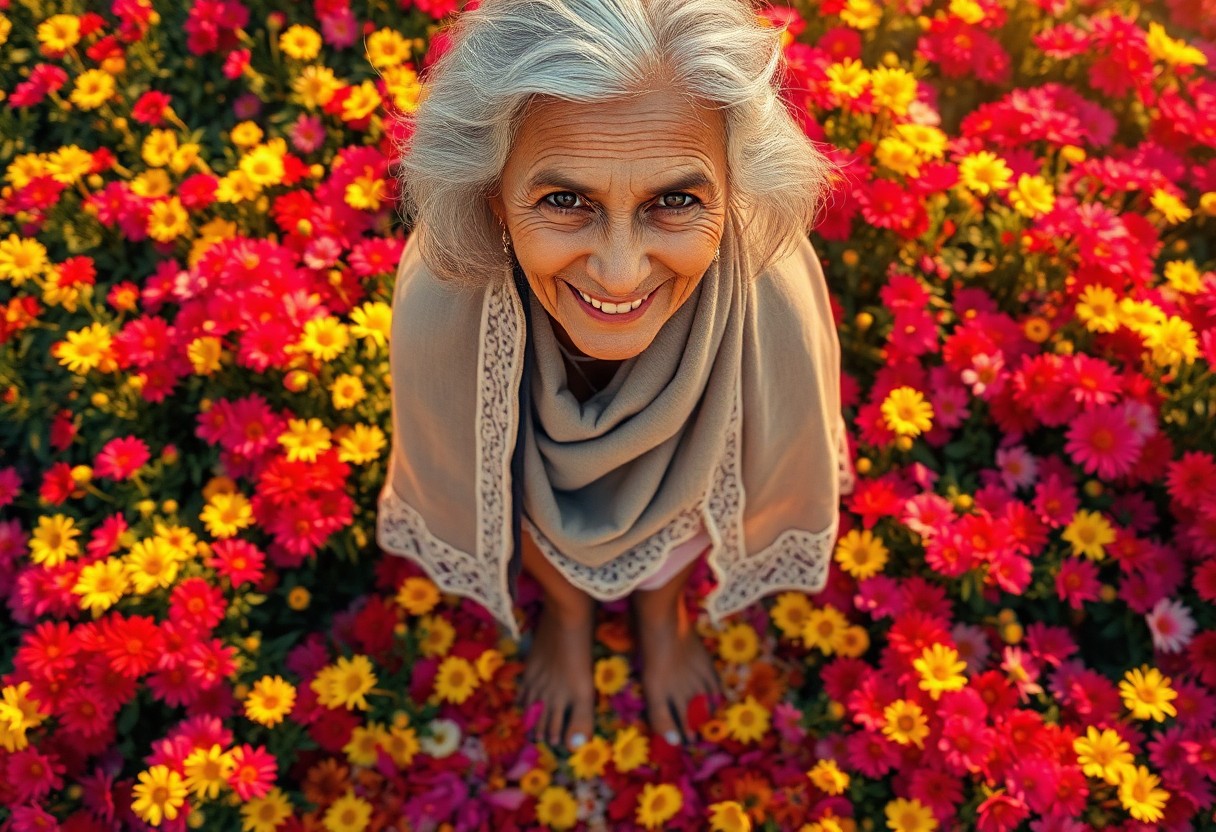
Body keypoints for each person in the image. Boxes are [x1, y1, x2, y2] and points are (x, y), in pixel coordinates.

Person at [377, 0, 855, 753]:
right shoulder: (445, 301)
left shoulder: (774, 302)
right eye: (566, 201)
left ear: (736, 192)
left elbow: (745, 470)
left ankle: (659, 617)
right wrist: (568, 612)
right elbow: (487, 479)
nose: (621, 272)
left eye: (675, 201)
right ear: (491, 193)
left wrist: (660, 607)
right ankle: (567, 617)